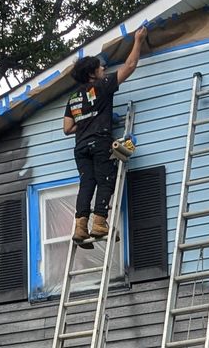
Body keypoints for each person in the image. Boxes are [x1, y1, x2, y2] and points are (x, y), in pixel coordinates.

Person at [61, 25, 149, 247]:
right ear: (92, 74)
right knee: (105, 179)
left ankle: (81, 227)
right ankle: (99, 223)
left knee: (86, 183)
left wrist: (86, 120)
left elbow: (67, 128)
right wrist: (138, 40)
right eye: (100, 67)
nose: (103, 68)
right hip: (100, 142)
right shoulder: (101, 86)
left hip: (80, 146)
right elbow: (129, 66)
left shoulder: (73, 97)